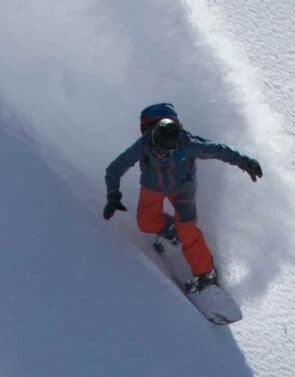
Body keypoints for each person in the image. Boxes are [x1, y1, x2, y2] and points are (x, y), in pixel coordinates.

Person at [103, 103, 263, 292]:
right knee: (146, 223)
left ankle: (206, 273)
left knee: (187, 230)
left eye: (166, 153)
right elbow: (115, 168)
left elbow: (220, 151)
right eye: (158, 150)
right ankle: (171, 230)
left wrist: (246, 163)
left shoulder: (189, 145)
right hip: (152, 186)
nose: (161, 155)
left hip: (183, 190)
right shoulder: (144, 145)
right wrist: (113, 194)